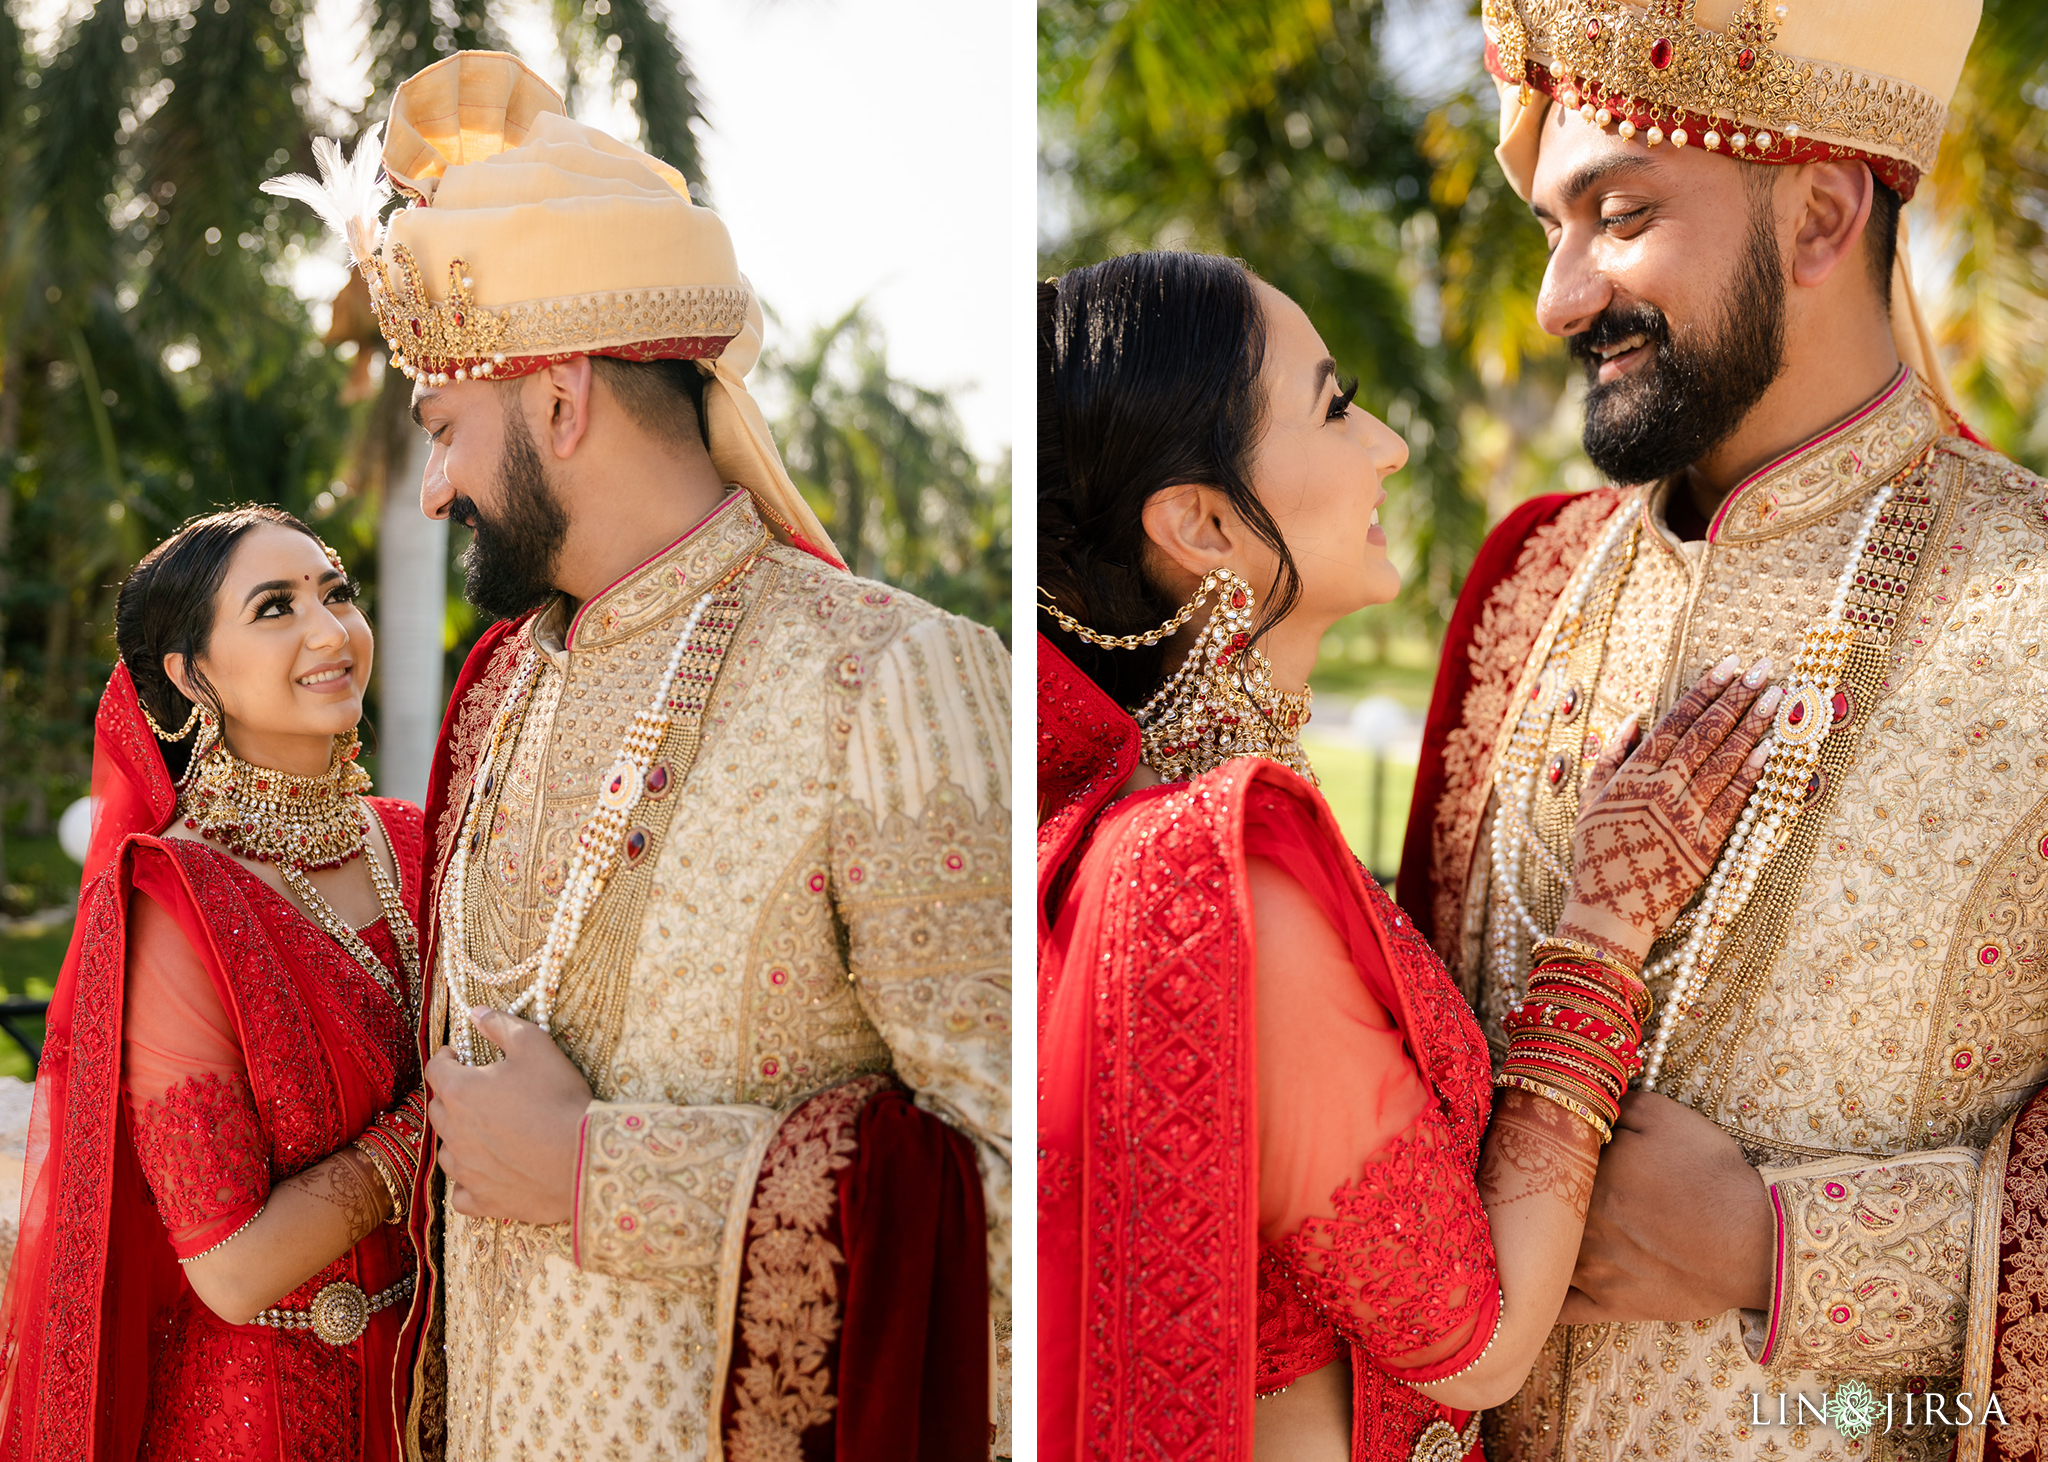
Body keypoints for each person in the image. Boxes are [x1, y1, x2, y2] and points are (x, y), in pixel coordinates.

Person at [260, 52, 1013, 1459]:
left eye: (444, 431)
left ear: (560, 401)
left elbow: (1037, 1204)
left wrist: (607, 1176)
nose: (433, 490)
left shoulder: (891, 682)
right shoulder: (502, 699)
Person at [1397, 1, 2048, 1456]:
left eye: (1619, 214)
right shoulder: (1531, 586)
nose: (1562, 294)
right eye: (1553, 227)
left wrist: (1784, 1251)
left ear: (1819, 215)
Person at [1037, 250, 1780, 1461]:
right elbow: (1474, 1343)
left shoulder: (1115, 827)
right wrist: (1602, 928)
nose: (1385, 444)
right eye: (1333, 407)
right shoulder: (1221, 884)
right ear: (1202, 523)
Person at [0, 506, 430, 1458]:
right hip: (262, 1420)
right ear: (193, 677)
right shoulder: (180, 898)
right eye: (275, 607)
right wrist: (431, 1128)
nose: (330, 631)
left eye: (337, 593)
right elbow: (231, 1268)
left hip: (445, 1392)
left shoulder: (416, 839)